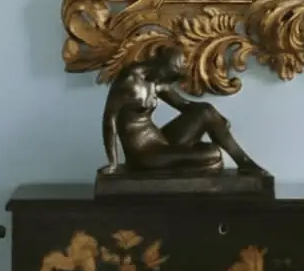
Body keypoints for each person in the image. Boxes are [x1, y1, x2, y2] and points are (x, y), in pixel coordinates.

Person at [99, 43, 268, 176]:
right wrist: (113, 163)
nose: (166, 83)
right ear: (161, 66)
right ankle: (197, 164)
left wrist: (217, 120)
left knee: (205, 111)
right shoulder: (129, 81)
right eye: (168, 77)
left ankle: (245, 163)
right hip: (144, 155)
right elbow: (109, 120)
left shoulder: (156, 80)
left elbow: (185, 106)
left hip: (161, 142)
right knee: (212, 154)